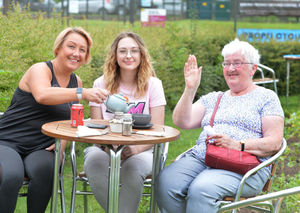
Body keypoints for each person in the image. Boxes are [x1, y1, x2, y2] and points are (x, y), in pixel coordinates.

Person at [155, 38, 284, 213]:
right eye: (227, 63)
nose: (230, 69)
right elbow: (181, 121)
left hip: (244, 165)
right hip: (204, 157)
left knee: (202, 189)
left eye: (237, 63)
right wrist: (190, 89)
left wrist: (239, 145)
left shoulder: (266, 98)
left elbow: (274, 143)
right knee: (166, 183)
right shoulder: (214, 98)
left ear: (253, 68)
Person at [0, 27, 108, 213]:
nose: (76, 53)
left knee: (46, 172)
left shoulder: (77, 82)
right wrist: (83, 93)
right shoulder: (40, 69)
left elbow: (71, 118)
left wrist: (63, 142)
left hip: (42, 146)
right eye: (71, 46)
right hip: (8, 141)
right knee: (11, 175)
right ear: (58, 48)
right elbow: (42, 95)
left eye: (82, 50)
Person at [84, 31, 166, 213]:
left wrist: (135, 149)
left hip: (144, 149)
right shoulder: (100, 84)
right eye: (123, 51)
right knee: (93, 163)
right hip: (105, 148)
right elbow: (97, 127)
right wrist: (109, 147)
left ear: (141, 54)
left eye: (134, 51)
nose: (128, 56)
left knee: (132, 168)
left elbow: (159, 129)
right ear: (115, 55)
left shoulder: (154, 84)